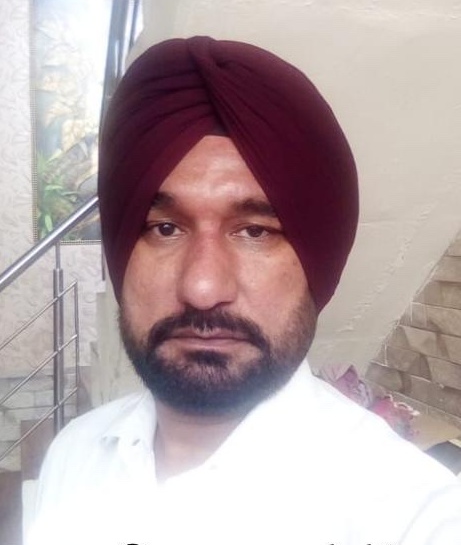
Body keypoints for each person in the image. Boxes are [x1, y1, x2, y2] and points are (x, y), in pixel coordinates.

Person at [28, 37, 461, 545]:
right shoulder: (74, 452)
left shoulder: (412, 512)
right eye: (165, 229)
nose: (202, 288)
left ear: (317, 263)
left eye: (255, 231)